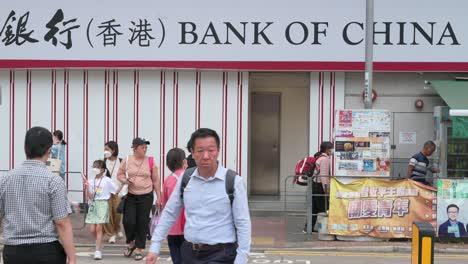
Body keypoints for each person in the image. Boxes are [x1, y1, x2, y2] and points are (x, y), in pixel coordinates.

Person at [146, 128, 251, 264]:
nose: (206, 156)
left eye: (211, 150)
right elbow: (170, 213)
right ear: (193, 152)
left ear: (218, 151)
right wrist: (155, 246)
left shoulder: (233, 181)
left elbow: (243, 222)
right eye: (200, 151)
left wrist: (241, 258)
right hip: (189, 253)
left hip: (222, 254)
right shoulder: (186, 178)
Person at [0, 127, 76, 264]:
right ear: (49, 150)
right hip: (46, 250)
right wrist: (72, 258)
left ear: (25, 148)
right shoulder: (53, 181)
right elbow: (62, 223)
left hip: (13, 252)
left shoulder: (5, 179)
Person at [118, 137, 162, 261]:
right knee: (128, 221)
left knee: (142, 222)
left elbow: (156, 180)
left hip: (146, 195)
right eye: (143, 147)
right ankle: (131, 242)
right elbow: (119, 174)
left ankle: (139, 248)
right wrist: (125, 180)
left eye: (146, 147)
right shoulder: (126, 160)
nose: (145, 149)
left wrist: (159, 197)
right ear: (135, 148)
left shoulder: (151, 161)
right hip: (131, 195)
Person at [83, 159, 119, 260]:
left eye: (97, 167)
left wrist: (124, 184)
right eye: (94, 166)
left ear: (103, 170)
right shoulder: (90, 181)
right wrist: (87, 187)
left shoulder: (107, 180)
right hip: (93, 205)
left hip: (103, 204)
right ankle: (99, 243)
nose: (95, 169)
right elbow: (90, 196)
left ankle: (98, 251)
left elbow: (116, 190)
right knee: (92, 230)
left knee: (99, 228)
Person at [162, 148, 188, 264]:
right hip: (188, 227)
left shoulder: (168, 180)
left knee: (176, 258)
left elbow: (165, 205)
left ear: (168, 164)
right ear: (184, 162)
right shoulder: (190, 178)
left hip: (172, 228)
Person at [303, 141, 333, 233]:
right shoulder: (325, 159)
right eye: (331, 148)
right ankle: (328, 229)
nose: (332, 150)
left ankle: (308, 228)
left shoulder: (319, 157)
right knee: (327, 208)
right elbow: (324, 176)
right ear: (327, 149)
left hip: (315, 185)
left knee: (314, 208)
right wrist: (327, 190)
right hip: (320, 186)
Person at [103, 141, 124, 244]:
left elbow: (125, 176)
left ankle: (117, 228)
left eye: (107, 149)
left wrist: (123, 189)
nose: (105, 151)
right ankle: (111, 234)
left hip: (118, 191)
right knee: (108, 214)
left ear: (113, 150)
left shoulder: (121, 161)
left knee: (117, 213)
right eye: (105, 149)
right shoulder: (103, 162)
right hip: (106, 192)